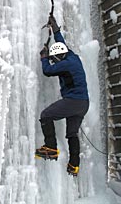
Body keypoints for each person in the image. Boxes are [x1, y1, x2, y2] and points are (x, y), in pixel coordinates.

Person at [35, 15, 89, 176]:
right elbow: (61, 43)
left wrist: (44, 58)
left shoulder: (65, 64)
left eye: (54, 59)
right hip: (83, 104)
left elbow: (47, 71)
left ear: (58, 57)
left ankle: (50, 147)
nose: (54, 62)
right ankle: (74, 165)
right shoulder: (72, 56)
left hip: (73, 101)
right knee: (72, 133)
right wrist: (55, 28)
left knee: (46, 115)